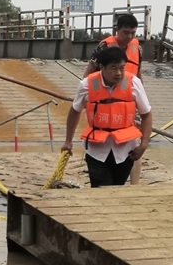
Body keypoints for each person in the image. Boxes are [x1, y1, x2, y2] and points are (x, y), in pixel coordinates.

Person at [61, 47, 153, 187]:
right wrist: (68, 142)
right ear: (102, 67)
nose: (118, 73)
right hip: (97, 150)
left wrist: (143, 145)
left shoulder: (134, 83)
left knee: (117, 187)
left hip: (126, 150)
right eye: (113, 68)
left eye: (122, 68)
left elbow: (146, 114)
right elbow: (75, 111)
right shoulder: (87, 85)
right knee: (101, 187)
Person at [83, 14, 143, 81]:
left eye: (133, 33)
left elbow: (138, 73)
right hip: (106, 89)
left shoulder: (138, 49)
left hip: (128, 90)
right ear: (117, 30)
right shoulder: (104, 47)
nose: (129, 36)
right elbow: (89, 72)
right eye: (126, 32)